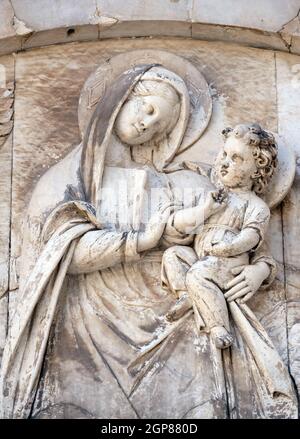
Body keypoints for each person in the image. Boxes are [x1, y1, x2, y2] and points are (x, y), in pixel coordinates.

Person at [0, 64, 296, 419]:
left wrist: (261, 270)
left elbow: (233, 229)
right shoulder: (66, 180)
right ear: (118, 100)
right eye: (148, 109)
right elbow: (55, 253)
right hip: (88, 331)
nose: (149, 124)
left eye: (164, 126)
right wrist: (140, 240)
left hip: (174, 325)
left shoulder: (180, 181)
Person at [162, 123, 277, 349]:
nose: (225, 162)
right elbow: (181, 227)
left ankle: (218, 327)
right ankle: (188, 296)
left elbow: (252, 238)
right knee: (173, 255)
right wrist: (205, 210)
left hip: (227, 264)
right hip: (201, 257)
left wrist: (229, 248)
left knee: (197, 275)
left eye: (236, 159)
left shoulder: (256, 206)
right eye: (224, 154)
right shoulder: (211, 196)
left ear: (256, 170)